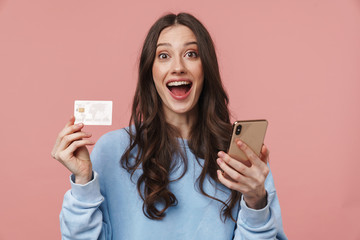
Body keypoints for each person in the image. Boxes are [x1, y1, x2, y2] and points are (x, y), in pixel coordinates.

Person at [52, 12, 287, 240]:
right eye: (164, 55)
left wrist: (256, 202)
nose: (178, 67)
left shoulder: (241, 157)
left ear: (206, 68)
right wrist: (83, 182)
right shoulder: (112, 150)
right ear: (150, 71)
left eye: (191, 54)